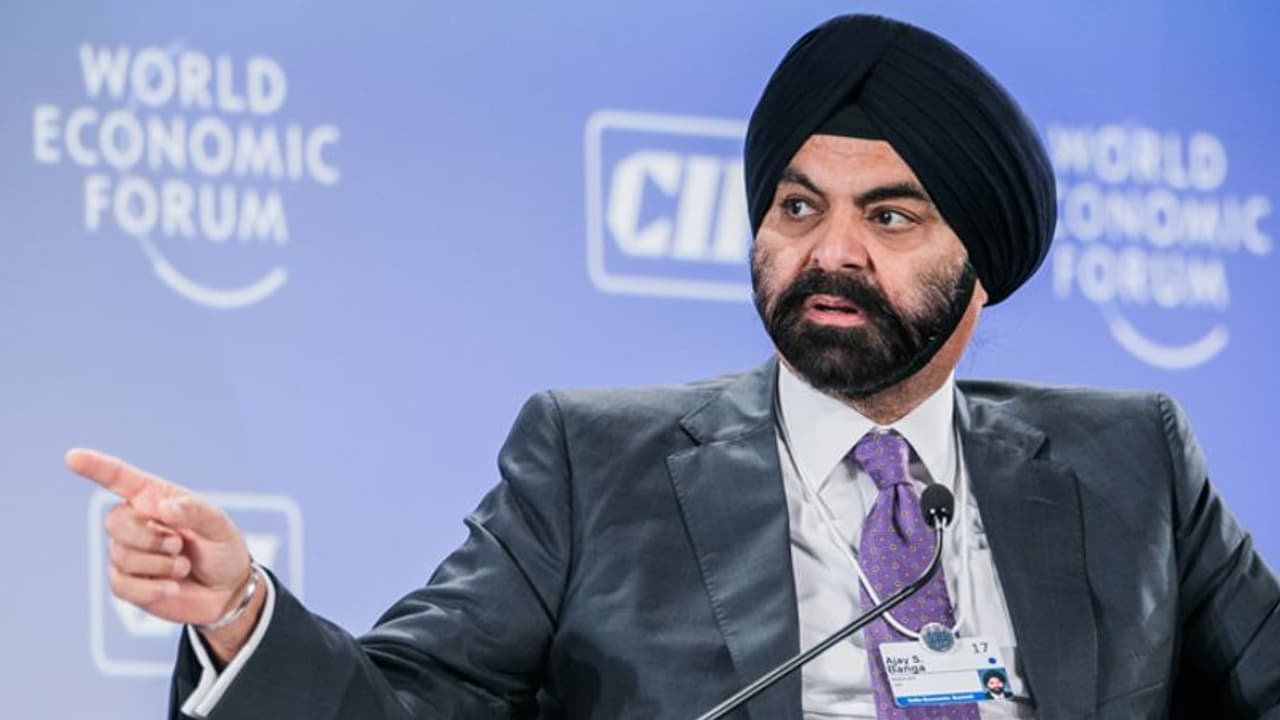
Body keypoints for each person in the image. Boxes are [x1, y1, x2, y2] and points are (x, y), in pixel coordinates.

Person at [69, 13, 1280, 720]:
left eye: (889, 217)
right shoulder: (597, 464)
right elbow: (400, 706)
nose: (830, 251)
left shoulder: (1129, 462)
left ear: (981, 268)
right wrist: (239, 613)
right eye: (796, 206)